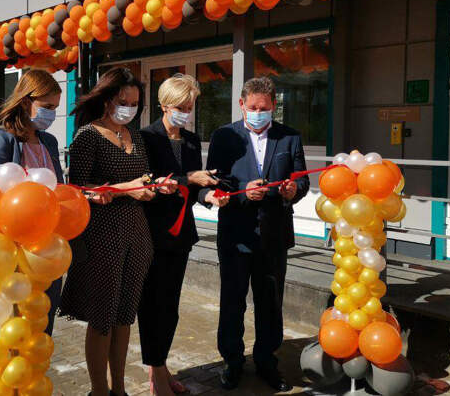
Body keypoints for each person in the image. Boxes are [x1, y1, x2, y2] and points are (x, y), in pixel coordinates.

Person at [58, 67, 176, 396]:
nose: (130, 109)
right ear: (107, 99)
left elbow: (142, 178)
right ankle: (99, 390)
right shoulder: (88, 135)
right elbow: (77, 189)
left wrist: (152, 187)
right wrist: (127, 189)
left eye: (135, 103)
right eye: (124, 102)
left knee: (125, 315)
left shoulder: (134, 136)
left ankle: (119, 389)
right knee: (102, 316)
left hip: (137, 235)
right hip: (102, 236)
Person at [200, 77, 309, 392]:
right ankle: (232, 361)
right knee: (232, 302)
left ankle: (266, 361)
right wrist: (243, 191)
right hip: (236, 234)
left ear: (274, 105)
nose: (259, 113)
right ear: (242, 105)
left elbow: (302, 180)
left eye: (264, 108)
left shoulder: (290, 137)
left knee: (270, 304)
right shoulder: (224, 136)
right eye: (253, 108)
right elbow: (216, 182)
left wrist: (293, 190)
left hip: (274, 235)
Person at [139, 74, 228, 396]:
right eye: (181, 107)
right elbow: (149, 182)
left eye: (190, 107)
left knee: (171, 307)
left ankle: (161, 367)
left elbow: (194, 189)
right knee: (153, 306)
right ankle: (155, 375)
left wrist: (209, 196)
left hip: (181, 236)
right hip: (152, 234)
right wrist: (189, 178)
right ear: (164, 105)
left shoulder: (191, 140)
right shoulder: (146, 138)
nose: (186, 113)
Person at [0, 69, 66, 336]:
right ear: (26, 102)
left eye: (55, 108)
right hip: (13, 255)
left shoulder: (49, 141)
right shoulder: (0, 138)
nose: (52, 114)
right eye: (47, 107)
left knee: (41, 327)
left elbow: (58, 189)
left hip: (47, 252)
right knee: (13, 330)